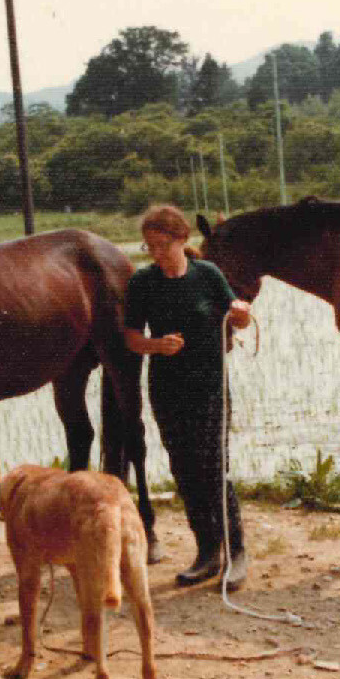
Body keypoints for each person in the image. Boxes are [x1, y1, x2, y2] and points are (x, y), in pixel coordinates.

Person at [124, 204, 252, 590]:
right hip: (167, 386)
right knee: (184, 469)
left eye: (162, 245)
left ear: (181, 239)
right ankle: (207, 551)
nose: (156, 254)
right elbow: (131, 339)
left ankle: (237, 553)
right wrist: (157, 345)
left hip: (210, 384)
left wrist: (242, 313)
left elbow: (236, 315)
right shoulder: (143, 283)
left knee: (213, 466)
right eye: (149, 247)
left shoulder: (207, 274)